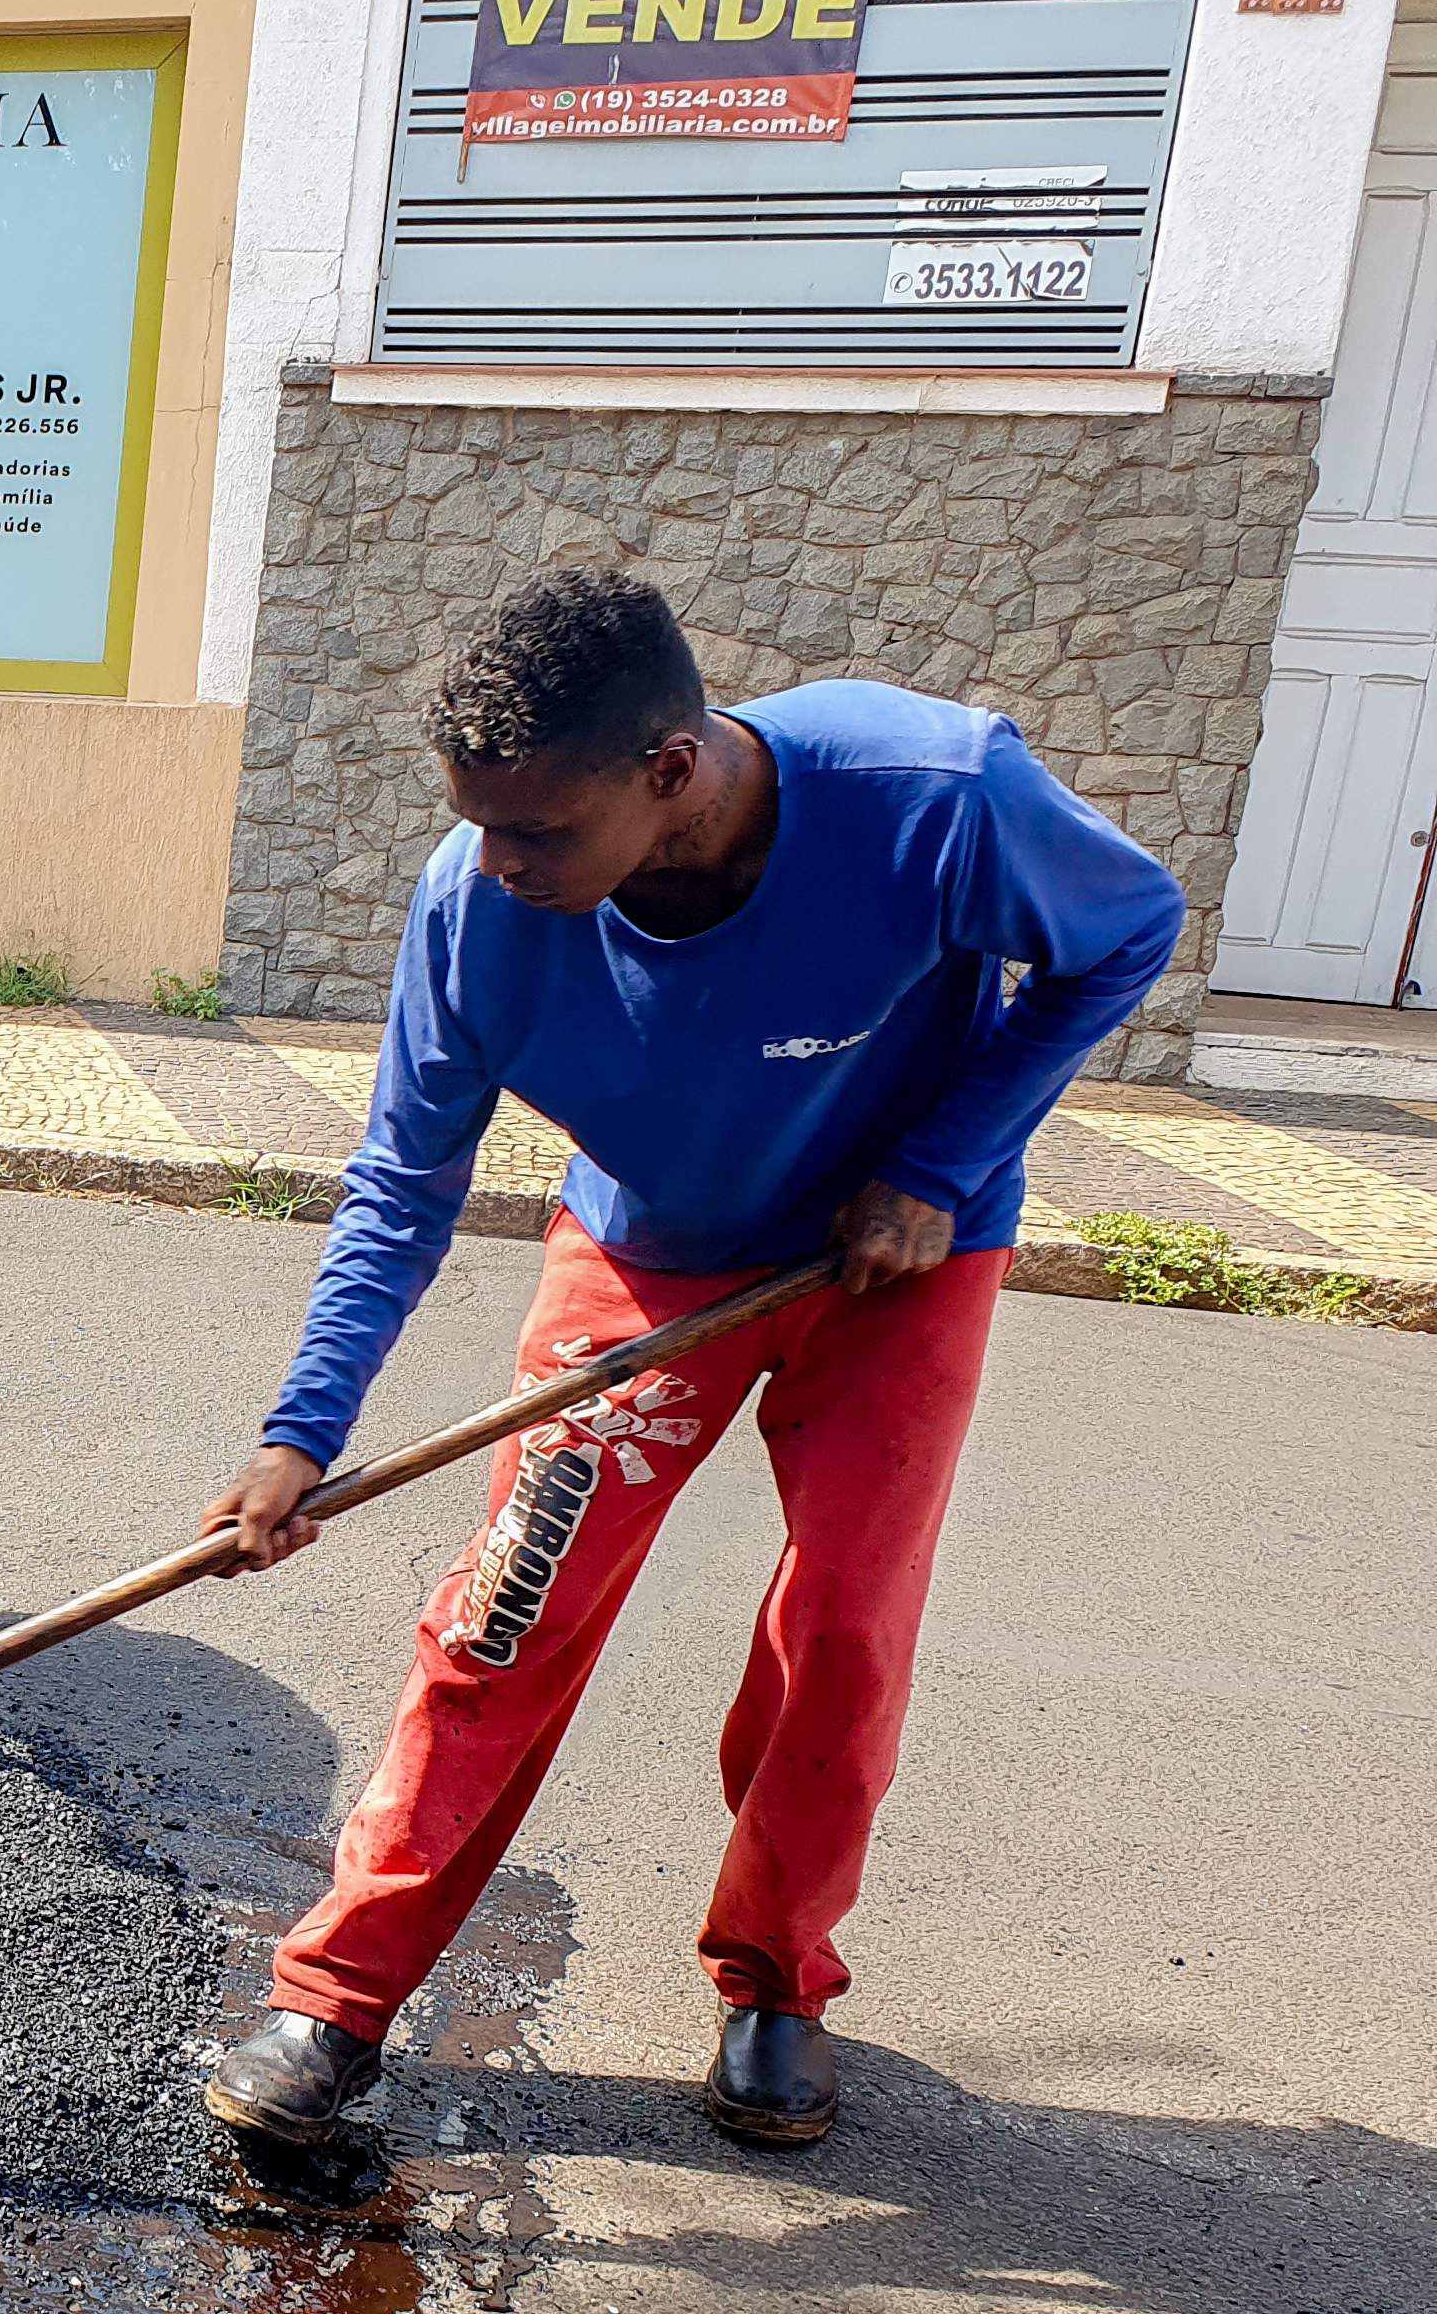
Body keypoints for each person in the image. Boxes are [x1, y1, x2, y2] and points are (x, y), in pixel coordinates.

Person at [196, 568, 1184, 2152]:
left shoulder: (936, 795)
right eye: (480, 827)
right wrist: (302, 1433)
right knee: (507, 1617)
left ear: (669, 770)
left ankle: (775, 1978)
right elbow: (404, 1177)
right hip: (648, 1260)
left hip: (896, 1260)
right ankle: (337, 1995)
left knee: (846, 1623)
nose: (495, 864)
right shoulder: (479, 907)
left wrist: (943, 1162)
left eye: (535, 833)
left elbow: (1128, 932)